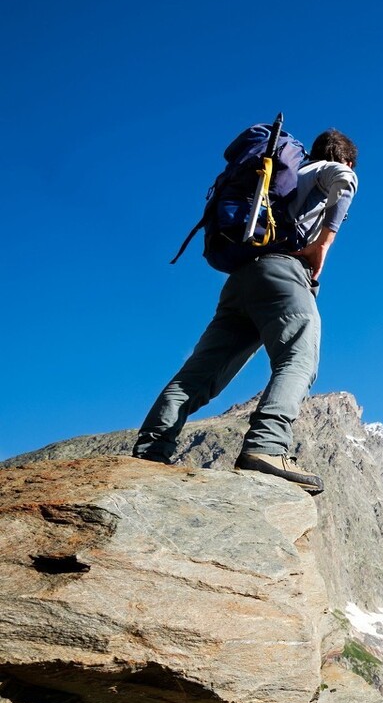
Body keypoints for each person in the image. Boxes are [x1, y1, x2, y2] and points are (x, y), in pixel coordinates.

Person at [131, 129, 359, 494]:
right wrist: (323, 244)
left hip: (242, 280)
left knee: (201, 373)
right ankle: (267, 446)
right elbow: (345, 182)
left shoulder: (286, 177)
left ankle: (151, 450)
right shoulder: (327, 169)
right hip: (282, 273)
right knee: (299, 356)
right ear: (344, 158)